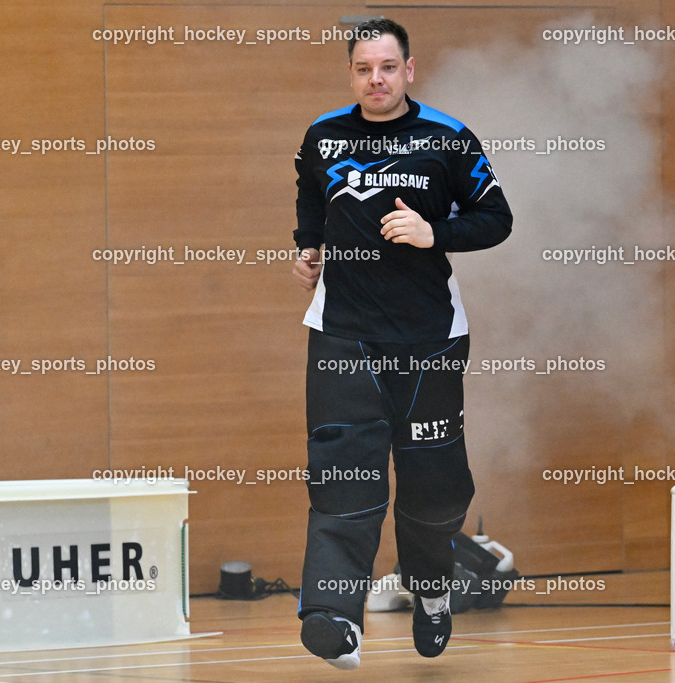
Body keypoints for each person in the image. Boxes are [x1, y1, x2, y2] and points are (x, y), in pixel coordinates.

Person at [291, 18, 512, 669]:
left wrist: (432, 231)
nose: (376, 79)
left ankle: (433, 586)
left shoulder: (447, 139)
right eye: (364, 69)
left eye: (388, 67)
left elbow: (496, 219)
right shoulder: (323, 137)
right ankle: (334, 616)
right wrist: (307, 247)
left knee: (435, 488)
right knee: (343, 473)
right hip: (343, 334)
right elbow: (309, 197)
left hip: (430, 340)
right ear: (351, 73)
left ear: (409, 69)